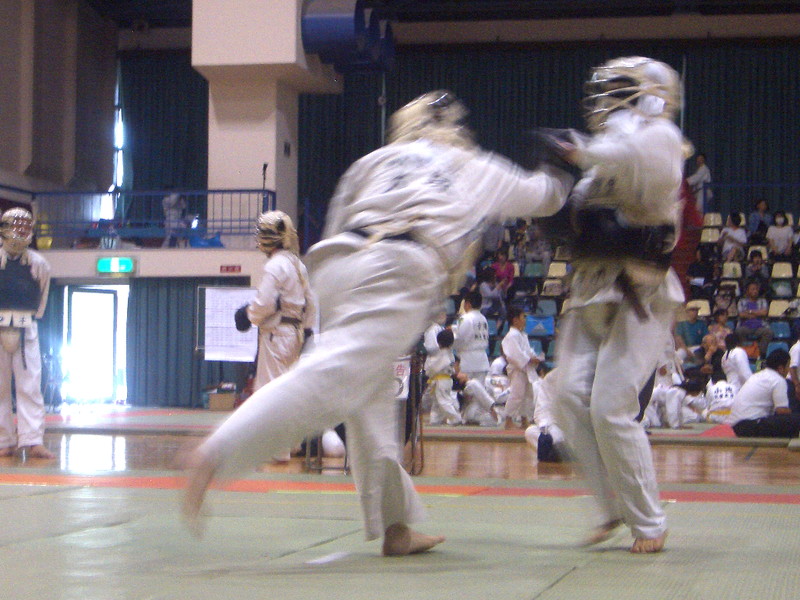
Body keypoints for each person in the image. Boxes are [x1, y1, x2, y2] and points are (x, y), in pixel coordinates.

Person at [181, 90, 572, 555]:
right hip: (402, 266)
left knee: (371, 403)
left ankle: (396, 526)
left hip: (341, 263)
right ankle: (217, 452)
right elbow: (543, 196)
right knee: (334, 375)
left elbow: (337, 219)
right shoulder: (470, 166)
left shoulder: (374, 161)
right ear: (454, 129)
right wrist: (564, 166)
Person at [550, 56, 685, 553]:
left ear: (647, 94)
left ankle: (649, 522)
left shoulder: (659, 138)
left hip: (640, 292)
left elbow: (629, 156)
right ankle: (611, 507)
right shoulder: (601, 158)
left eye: (620, 89)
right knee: (565, 396)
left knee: (610, 407)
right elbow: (577, 216)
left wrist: (579, 150)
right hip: (590, 290)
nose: (608, 99)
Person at [235, 211, 316, 462]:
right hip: (295, 333)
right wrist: (309, 329)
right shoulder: (297, 264)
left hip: (276, 334)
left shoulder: (275, 266)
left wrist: (248, 315)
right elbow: (311, 302)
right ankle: (292, 443)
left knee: (270, 390)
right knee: (289, 390)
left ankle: (277, 450)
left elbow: (263, 303)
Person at [0, 208, 55, 459]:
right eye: (16, 226)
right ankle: (3, 440)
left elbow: (41, 296)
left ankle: (33, 440)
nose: (20, 232)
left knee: (30, 384)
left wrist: (33, 319)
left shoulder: (38, 263)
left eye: (25, 227)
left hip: (26, 326)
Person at [727, 349, 800, 437]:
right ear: (781, 368)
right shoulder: (778, 380)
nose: (788, 370)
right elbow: (782, 411)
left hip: (737, 427)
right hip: (750, 426)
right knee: (794, 419)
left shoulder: (758, 375)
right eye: (788, 366)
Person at [501, 306, 543, 429]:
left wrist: (535, 357)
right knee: (517, 394)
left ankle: (524, 419)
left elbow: (527, 351)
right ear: (515, 320)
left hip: (526, 368)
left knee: (527, 395)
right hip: (517, 369)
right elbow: (514, 354)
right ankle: (508, 420)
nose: (524, 320)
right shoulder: (511, 335)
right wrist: (529, 359)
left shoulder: (522, 335)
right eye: (522, 317)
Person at [425, 329, 462, 426]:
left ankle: (456, 418)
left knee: (443, 401)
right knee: (437, 402)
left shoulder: (442, 354)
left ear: (439, 342)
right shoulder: (450, 353)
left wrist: (427, 370)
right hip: (446, 379)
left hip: (441, 380)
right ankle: (435, 420)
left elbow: (432, 368)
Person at [735, 280, 773, 357]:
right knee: (739, 331)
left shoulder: (762, 301)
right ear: (748, 291)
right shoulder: (742, 301)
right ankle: (745, 351)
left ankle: (761, 353)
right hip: (745, 327)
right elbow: (741, 314)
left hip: (760, 327)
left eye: (756, 289)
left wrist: (749, 312)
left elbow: (764, 313)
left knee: (769, 332)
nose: (755, 291)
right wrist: (757, 313)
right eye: (752, 289)